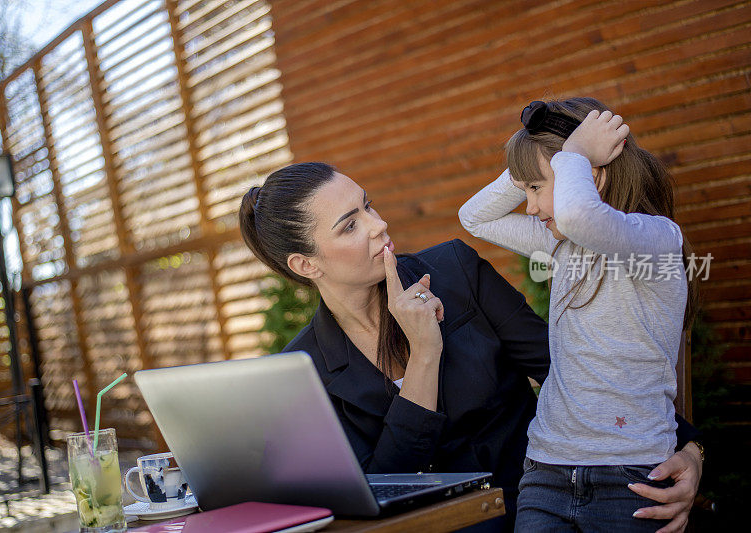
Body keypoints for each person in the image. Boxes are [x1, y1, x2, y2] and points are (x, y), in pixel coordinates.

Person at [239, 161, 702, 532]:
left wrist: (692, 449)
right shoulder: (304, 369)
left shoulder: (455, 270)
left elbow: (570, 370)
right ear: (305, 264)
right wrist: (424, 353)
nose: (379, 225)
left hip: (543, 502)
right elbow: (384, 486)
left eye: (368, 205)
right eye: (349, 225)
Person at [458, 97, 703, 532]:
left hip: (629, 479)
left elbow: (577, 214)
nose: (529, 207)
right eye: (526, 188)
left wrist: (571, 156)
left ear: (591, 174)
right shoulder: (560, 246)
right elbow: (474, 216)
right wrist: (538, 160)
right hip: (544, 473)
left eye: (536, 188)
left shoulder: (658, 239)